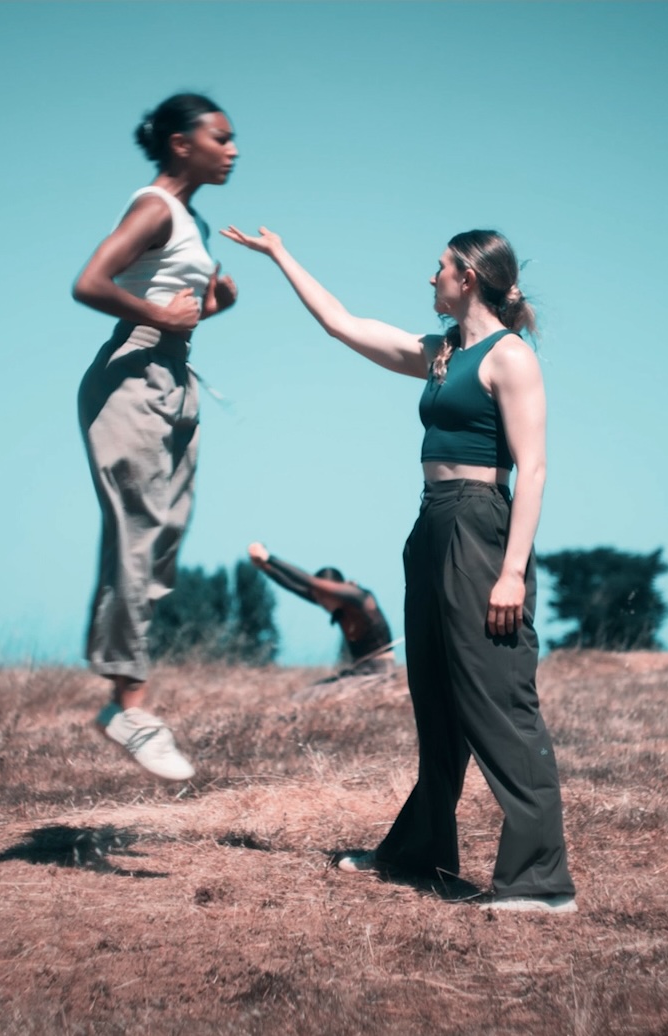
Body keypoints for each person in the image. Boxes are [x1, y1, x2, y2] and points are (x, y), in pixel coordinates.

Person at [222, 224, 576, 913]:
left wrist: (510, 573)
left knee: (500, 702)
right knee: (437, 701)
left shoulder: (511, 359)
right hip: (432, 523)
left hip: (481, 526)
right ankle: (420, 853)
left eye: (439, 268)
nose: (431, 278)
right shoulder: (442, 353)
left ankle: (541, 882)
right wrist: (281, 254)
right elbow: (342, 325)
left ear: (467, 277)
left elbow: (531, 470)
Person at [73, 94, 239, 781]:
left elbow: (180, 306)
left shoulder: (191, 219)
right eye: (221, 138)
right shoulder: (156, 207)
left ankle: (121, 679)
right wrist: (163, 317)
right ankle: (130, 704)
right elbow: (90, 282)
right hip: (132, 375)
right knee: (137, 534)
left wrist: (209, 306)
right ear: (180, 143)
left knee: (165, 531)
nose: (232, 150)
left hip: (173, 379)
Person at [247, 543, 396, 674]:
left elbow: (309, 581)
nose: (320, 602)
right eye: (318, 598)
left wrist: (269, 558)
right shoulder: (335, 603)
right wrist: (264, 567)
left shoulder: (359, 598)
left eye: (323, 596)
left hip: (380, 671)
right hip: (359, 671)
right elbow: (293, 586)